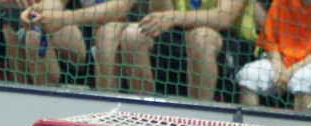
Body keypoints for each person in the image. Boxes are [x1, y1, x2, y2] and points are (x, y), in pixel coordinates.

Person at [110, 0, 260, 102]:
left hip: (232, 43)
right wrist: (167, 15)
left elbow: (223, 17)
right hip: (182, 33)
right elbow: (161, 16)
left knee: (200, 38)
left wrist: (173, 17)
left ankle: (200, 118)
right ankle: (143, 113)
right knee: (133, 35)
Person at [234, 0, 311, 111]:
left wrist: (288, 73)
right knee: (249, 74)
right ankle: (248, 122)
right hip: (279, 60)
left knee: (303, 80)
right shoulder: (280, 2)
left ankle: (302, 123)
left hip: (309, 62)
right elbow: (270, 40)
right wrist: (279, 68)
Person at [3, 0, 134, 88]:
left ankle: (108, 110)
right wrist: (38, 12)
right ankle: (44, 104)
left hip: (124, 32)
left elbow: (121, 8)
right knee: (35, 32)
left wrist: (66, 18)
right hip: (86, 32)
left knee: (107, 34)